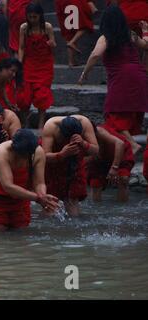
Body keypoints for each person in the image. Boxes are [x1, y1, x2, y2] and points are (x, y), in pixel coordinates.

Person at [79, 5, 148, 155]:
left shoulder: (106, 37)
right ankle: (129, 146)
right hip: (139, 76)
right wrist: (145, 31)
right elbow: (146, 45)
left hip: (122, 77)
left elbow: (96, 54)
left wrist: (85, 72)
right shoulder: (130, 34)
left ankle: (132, 144)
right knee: (124, 114)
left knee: (112, 114)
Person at [0, 129, 59, 231]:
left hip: (21, 195)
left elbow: (39, 183)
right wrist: (38, 198)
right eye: (21, 154)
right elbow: (8, 186)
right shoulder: (2, 152)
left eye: (26, 155)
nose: (23, 157)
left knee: (21, 230)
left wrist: (44, 198)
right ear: (13, 147)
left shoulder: (38, 152)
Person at [42, 115, 99, 216]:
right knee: (51, 203)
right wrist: (62, 154)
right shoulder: (51, 126)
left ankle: (73, 229)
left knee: (73, 201)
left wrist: (83, 143)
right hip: (54, 164)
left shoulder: (85, 123)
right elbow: (44, 156)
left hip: (75, 163)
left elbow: (95, 151)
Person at [18, 3, 56, 129]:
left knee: (42, 95)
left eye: (35, 17)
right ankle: (25, 122)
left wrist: (51, 43)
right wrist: (19, 64)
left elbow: (53, 44)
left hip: (44, 65)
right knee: (24, 96)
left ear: (40, 16)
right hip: (29, 63)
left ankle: (41, 123)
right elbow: (22, 47)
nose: (32, 19)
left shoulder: (47, 27)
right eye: (30, 17)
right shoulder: (24, 28)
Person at [87, 123, 134, 202]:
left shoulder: (99, 131)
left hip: (120, 154)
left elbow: (120, 143)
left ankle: (122, 209)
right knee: (95, 183)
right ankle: (97, 210)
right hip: (98, 159)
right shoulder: (80, 135)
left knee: (123, 179)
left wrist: (114, 167)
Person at [55, 0, 97, 67]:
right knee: (86, 24)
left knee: (69, 32)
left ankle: (71, 62)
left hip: (61, 3)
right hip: (73, 2)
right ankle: (72, 42)